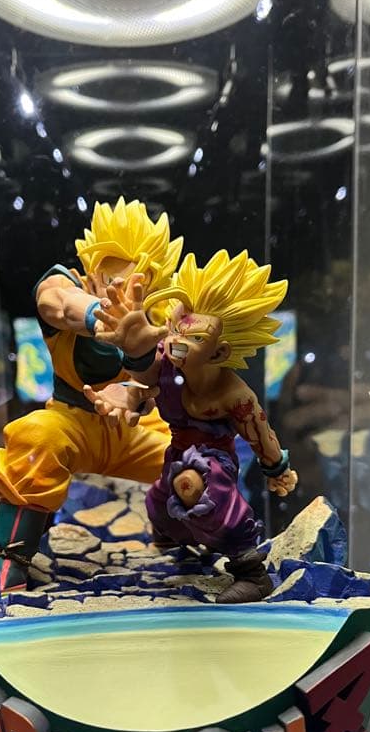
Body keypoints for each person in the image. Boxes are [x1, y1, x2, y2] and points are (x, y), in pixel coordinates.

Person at [0, 198, 182, 589]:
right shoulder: (64, 283)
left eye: (138, 283)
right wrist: (100, 316)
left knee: (195, 456)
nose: (122, 290)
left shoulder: (162, 316)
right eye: (113, 278)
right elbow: (57, 304)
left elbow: (157, 384)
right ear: (93, 268)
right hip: (72, 422)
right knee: (36, 437)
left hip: (133, 430)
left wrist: (138, 376)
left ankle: (192, 542)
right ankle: (9, 564)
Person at [88, 249, 298, 604]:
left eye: (194, 338)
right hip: (177, 450)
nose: (175, 342)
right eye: (173, 329)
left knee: (193, 486)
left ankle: (252, 573)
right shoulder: (167, 364)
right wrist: (134, 359)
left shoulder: (233, 394)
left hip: (215, 459)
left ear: (219, 352)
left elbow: (260, 433)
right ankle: (182, 544)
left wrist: (277, 468)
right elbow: (145, 375)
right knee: (159, 504)